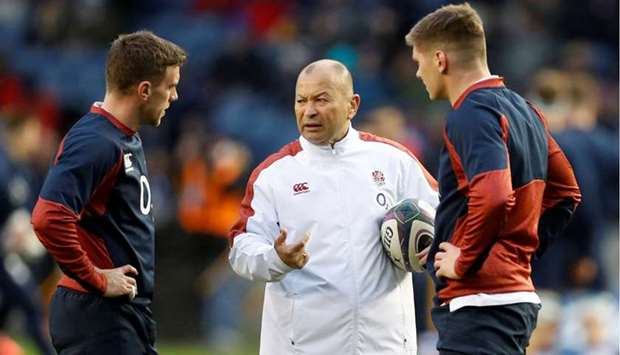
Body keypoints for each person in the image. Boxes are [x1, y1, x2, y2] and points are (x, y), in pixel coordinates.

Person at [228, 58, 439, 354]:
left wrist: (436, 244)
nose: (309, 110)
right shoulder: (273, 174)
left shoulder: (394, 161)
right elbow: (240, 249)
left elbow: (446, 216)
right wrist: (276, 258)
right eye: (301, 100)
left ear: (352, 105)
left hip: (385, 344)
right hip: (303, 347)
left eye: (321, 99)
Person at [404, 3, 582, 354]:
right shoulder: (524, 109)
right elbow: (566, 194)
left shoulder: (470, 113)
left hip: (481, 304)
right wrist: (516, 252)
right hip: (511, 299)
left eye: (418, 61)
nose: (418, 73)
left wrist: (467, 258)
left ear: (440, 59)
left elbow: (494, 194)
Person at [31, 30, 186, 354]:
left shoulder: (121, 136)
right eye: (170, 86)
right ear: (145, 90)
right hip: (98, 313)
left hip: (122, 314)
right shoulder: (96, 141)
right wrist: (97, 279)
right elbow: (48, 218)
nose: (174, 96)